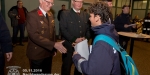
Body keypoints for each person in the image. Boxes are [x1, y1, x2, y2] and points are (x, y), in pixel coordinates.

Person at [72, 2, 121, 75]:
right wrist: (84, 48)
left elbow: (92, 71)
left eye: (91, 16)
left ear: (97, 18)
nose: (89, 19)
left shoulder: (101, 44)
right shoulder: (108, 32)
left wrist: (76, 57)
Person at [26, 0, 67, 74]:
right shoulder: (32, 15)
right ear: (41, 1)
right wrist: (53, 44)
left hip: (48, 52)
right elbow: (34, 35)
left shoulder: (50, 14)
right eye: (48, 2)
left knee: (47, 72)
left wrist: (53, 49)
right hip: (37, 54)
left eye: (52, 3)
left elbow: (53, 32)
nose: (50, 5)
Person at [59, 0, 91, 75]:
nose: (80, 4)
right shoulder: (65, 13)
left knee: (79, 68)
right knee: (66, 67)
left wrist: (85, 39)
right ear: (73, 2)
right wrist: (74, 39)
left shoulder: (85, 14)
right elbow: (63, 29)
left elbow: (88, 29)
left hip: (81, 47)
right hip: (68, 47)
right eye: (77, 1)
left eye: (81, 2)